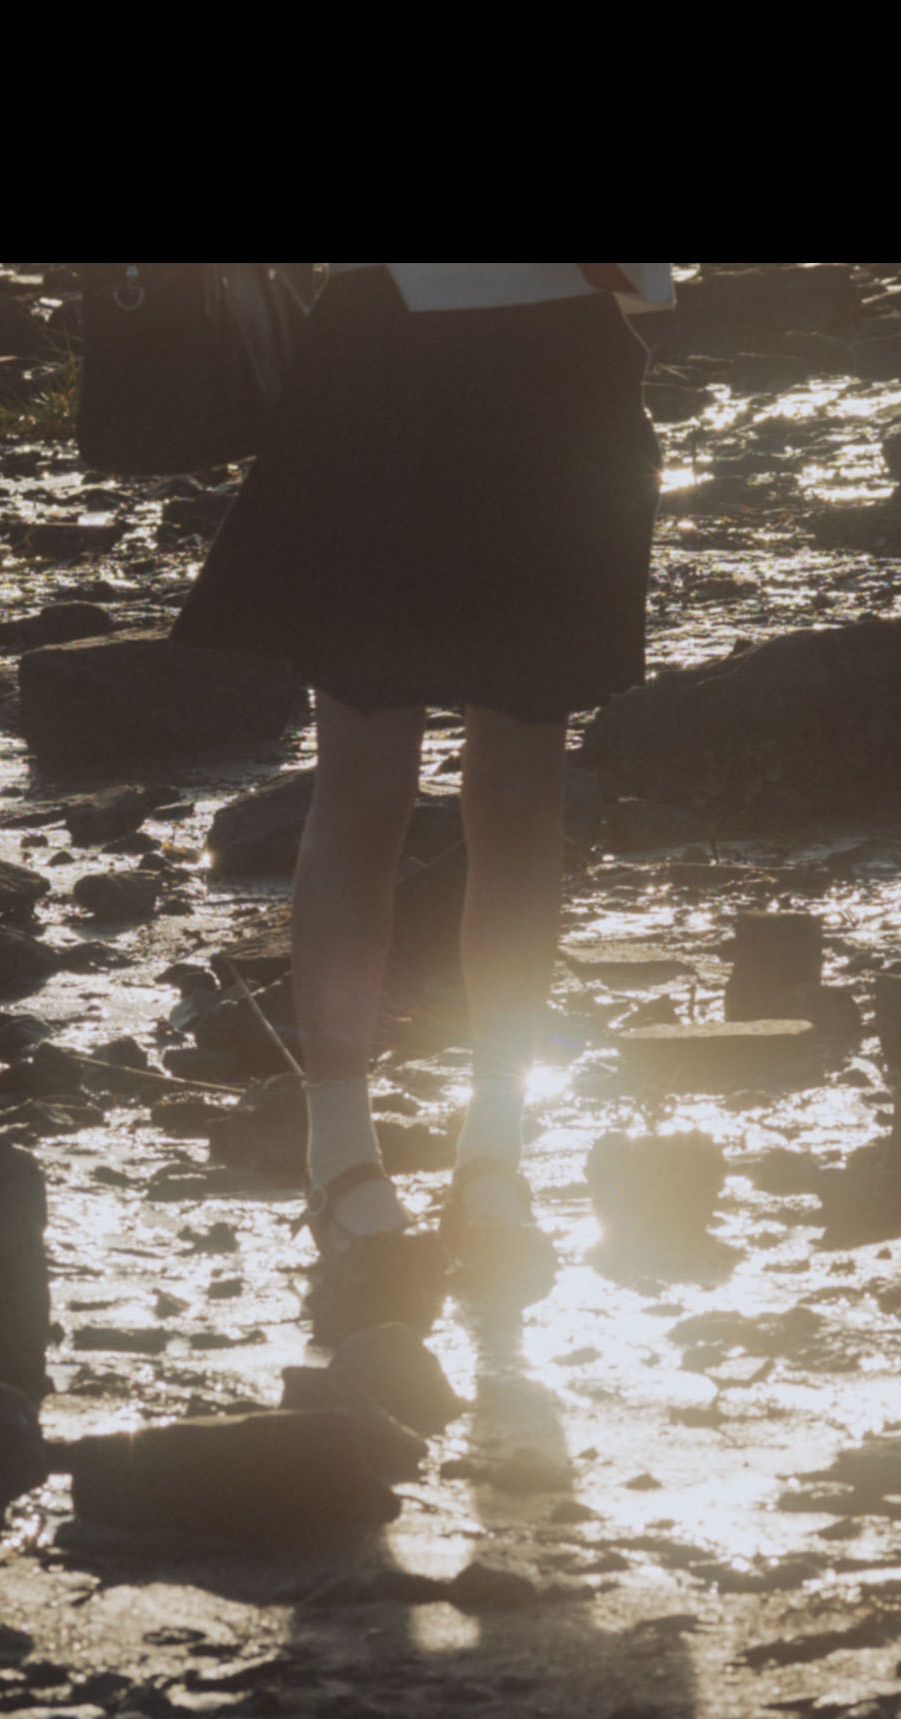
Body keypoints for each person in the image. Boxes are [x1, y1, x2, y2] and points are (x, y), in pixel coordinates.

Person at [173, 262, 673, 1340]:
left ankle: (495, 1146)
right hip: (386, 360)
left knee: (523, 792)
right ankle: (339, 1151)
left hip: (561, 359)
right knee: (367, 785)